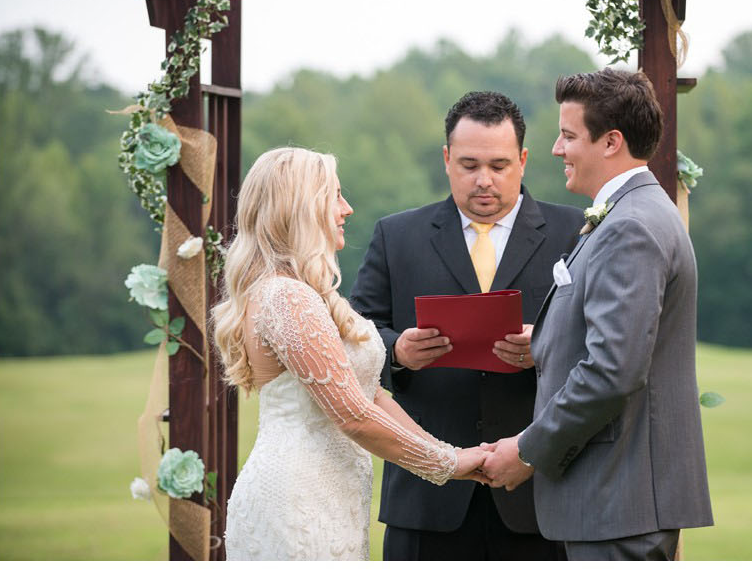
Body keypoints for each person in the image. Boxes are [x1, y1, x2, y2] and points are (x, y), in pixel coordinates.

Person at [477, 68, 713, 560]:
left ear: (611, 143)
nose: (556, 149)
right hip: (613, 501)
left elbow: (611, 371)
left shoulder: (630, 226)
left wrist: (526, 451)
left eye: (567, 135)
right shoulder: (630, 212)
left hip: (617, 501)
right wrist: (545, 339)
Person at [210, 147, 488, 561]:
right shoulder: (287, 298)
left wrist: (448, 450)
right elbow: (354, 416)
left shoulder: (306, 292)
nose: (347, 208)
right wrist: (447, 463)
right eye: (335, 196)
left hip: (330, 495)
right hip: (298, 500)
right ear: (302, 208)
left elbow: (370, 394)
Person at [347, 92, 575, 560]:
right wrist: (397, 352)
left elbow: (604, 343)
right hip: (427, 498)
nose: (484, 180)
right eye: (469, 164)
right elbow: (355, 336)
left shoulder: (574, 232)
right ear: (447, 159)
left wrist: (548, 345)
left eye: (499, 165)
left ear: (524, 160)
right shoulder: (397, 235)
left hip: (539, 493)